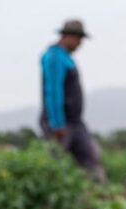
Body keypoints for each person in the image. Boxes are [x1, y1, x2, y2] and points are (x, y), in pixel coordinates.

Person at [39, 19, 107, 183]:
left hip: (75, 122)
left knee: (91, 159)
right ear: (68, 36)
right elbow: (53, 91)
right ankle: (51, 203)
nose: (80, 44)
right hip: (61, 124)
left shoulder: (66, 58)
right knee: (55, 166)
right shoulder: (55, 57)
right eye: (79, 39)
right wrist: (57, 124)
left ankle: (103, 199)